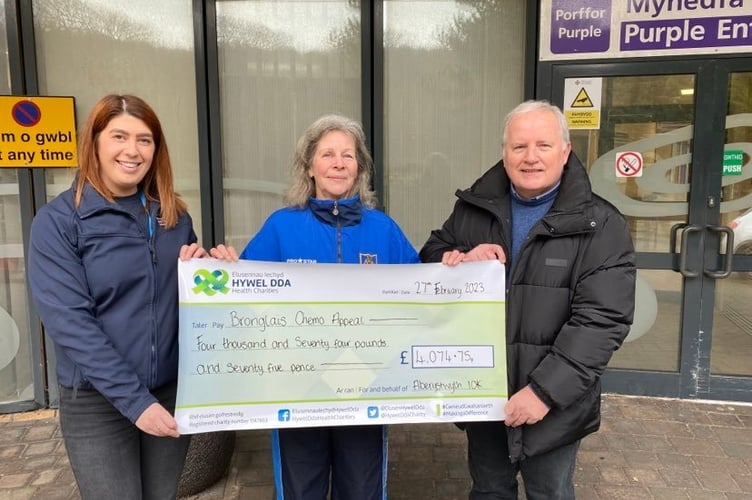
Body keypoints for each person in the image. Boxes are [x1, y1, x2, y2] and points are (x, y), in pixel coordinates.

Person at [419, 100, 636, 500]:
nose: (530, 157)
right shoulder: (473, 209)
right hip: (487, 396)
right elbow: (432, 253)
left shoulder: (601, 225)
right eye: (519, 147)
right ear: (505, 154)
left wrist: (543, 393)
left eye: (543, 146)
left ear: (566, 151)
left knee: (549, 492)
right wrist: (459, 259)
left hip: (555, 405)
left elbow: (601, 321)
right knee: (488, 490)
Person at [210, 114, 419, 500]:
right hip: (297, 385)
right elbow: (246, 299)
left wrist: (460, 269)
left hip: (364, 384)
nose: (338, 163)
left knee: (362, 490)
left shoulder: (383, 230)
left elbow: (420, 297)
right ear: (309, 166)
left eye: (348, 155)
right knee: (300, 490)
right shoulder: (280, 227)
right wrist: (224, 271)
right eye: (327, 154)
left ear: (359, 168)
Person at [27, 94, 209, 500]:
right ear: (94, 142)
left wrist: (208, 269)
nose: (133, 150)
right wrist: (135, 402)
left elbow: (187, 302)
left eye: (145, 140)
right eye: (119, 136)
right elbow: (72, 326)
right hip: (98, 403)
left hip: (167, 392)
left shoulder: (173, 217)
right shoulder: (58, 223)